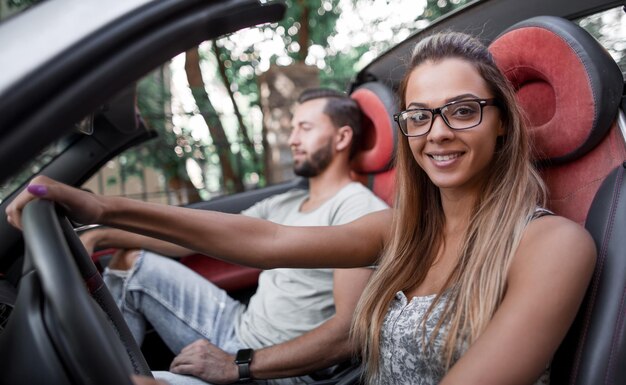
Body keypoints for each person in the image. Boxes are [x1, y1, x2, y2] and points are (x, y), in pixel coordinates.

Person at [6, 31, 596, 385]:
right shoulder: (405, 230)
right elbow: (265, 241)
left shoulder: (552, 246)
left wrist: (239, 367)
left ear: (501, 125)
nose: (436, 133)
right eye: (419, 115)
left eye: (462, 109)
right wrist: (105, 209)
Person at [78, 87, 388, 385]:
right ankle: (113, 368)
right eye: (293, 128)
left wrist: (239, 364)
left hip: (278, 368)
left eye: (305, 128)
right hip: (239, 325)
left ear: (342, 137)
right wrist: (104, 235)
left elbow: (350, 332)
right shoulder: (287, 201)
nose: (292, 139)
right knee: (129, 263)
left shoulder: (360, 210)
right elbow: (197, 235)